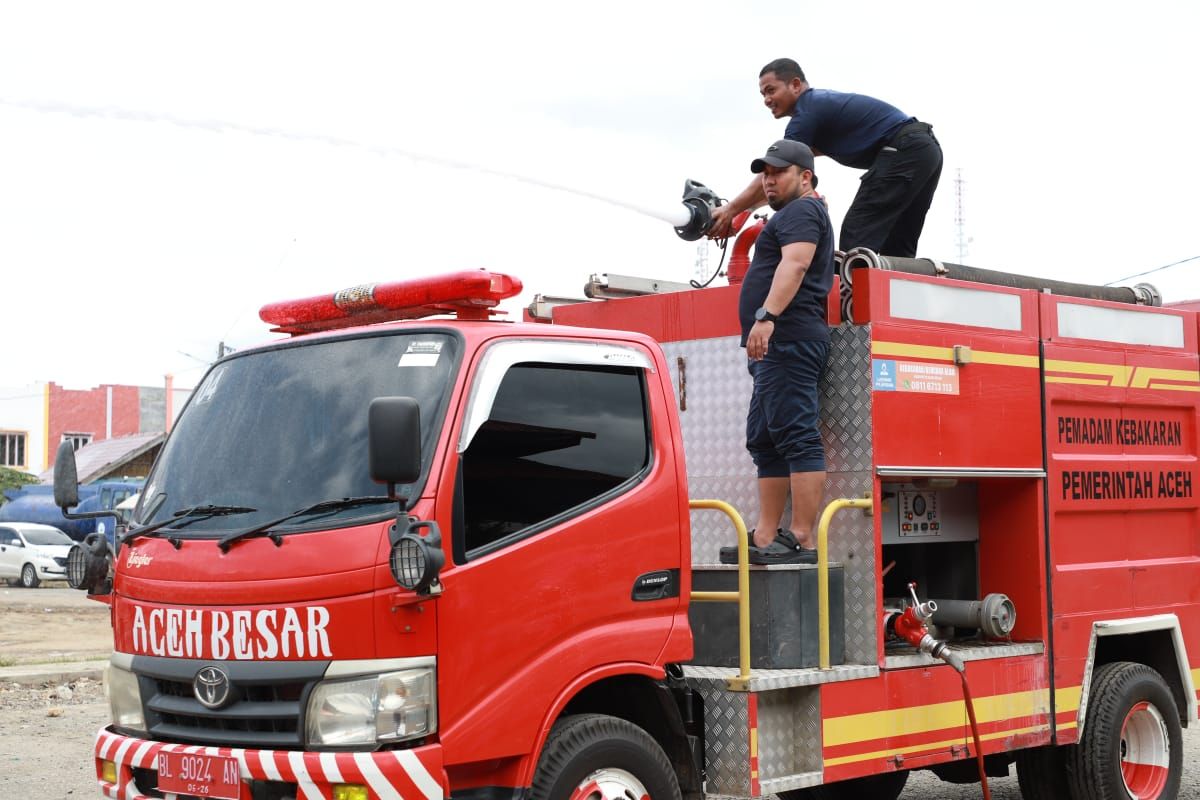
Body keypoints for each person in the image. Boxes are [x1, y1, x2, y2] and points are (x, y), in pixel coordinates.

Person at [719, 139, 834, 566]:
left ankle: (802, 536)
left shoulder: (803, 210)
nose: (769, 180)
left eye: (778, 172)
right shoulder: (792, 212)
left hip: (788, 338)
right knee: (765, 439)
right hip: (773, 346)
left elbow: (796, 264)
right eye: (765, 173)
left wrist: (766, 316)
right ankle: (766, 535)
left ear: (805, 176)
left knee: (795, 435)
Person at [710, 58, 942, 259]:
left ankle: (851, 306)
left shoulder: (806, 112)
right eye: (763, 94)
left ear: (795, 85)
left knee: (857, 232)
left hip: (905, 149)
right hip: (926, 151)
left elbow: (778, 170)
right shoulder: (818, 110)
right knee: (898, 245)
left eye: (771, 90)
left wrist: (730, 209)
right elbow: (780, 180)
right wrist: (745, 210)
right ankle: (898, 304)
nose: (766, 100)